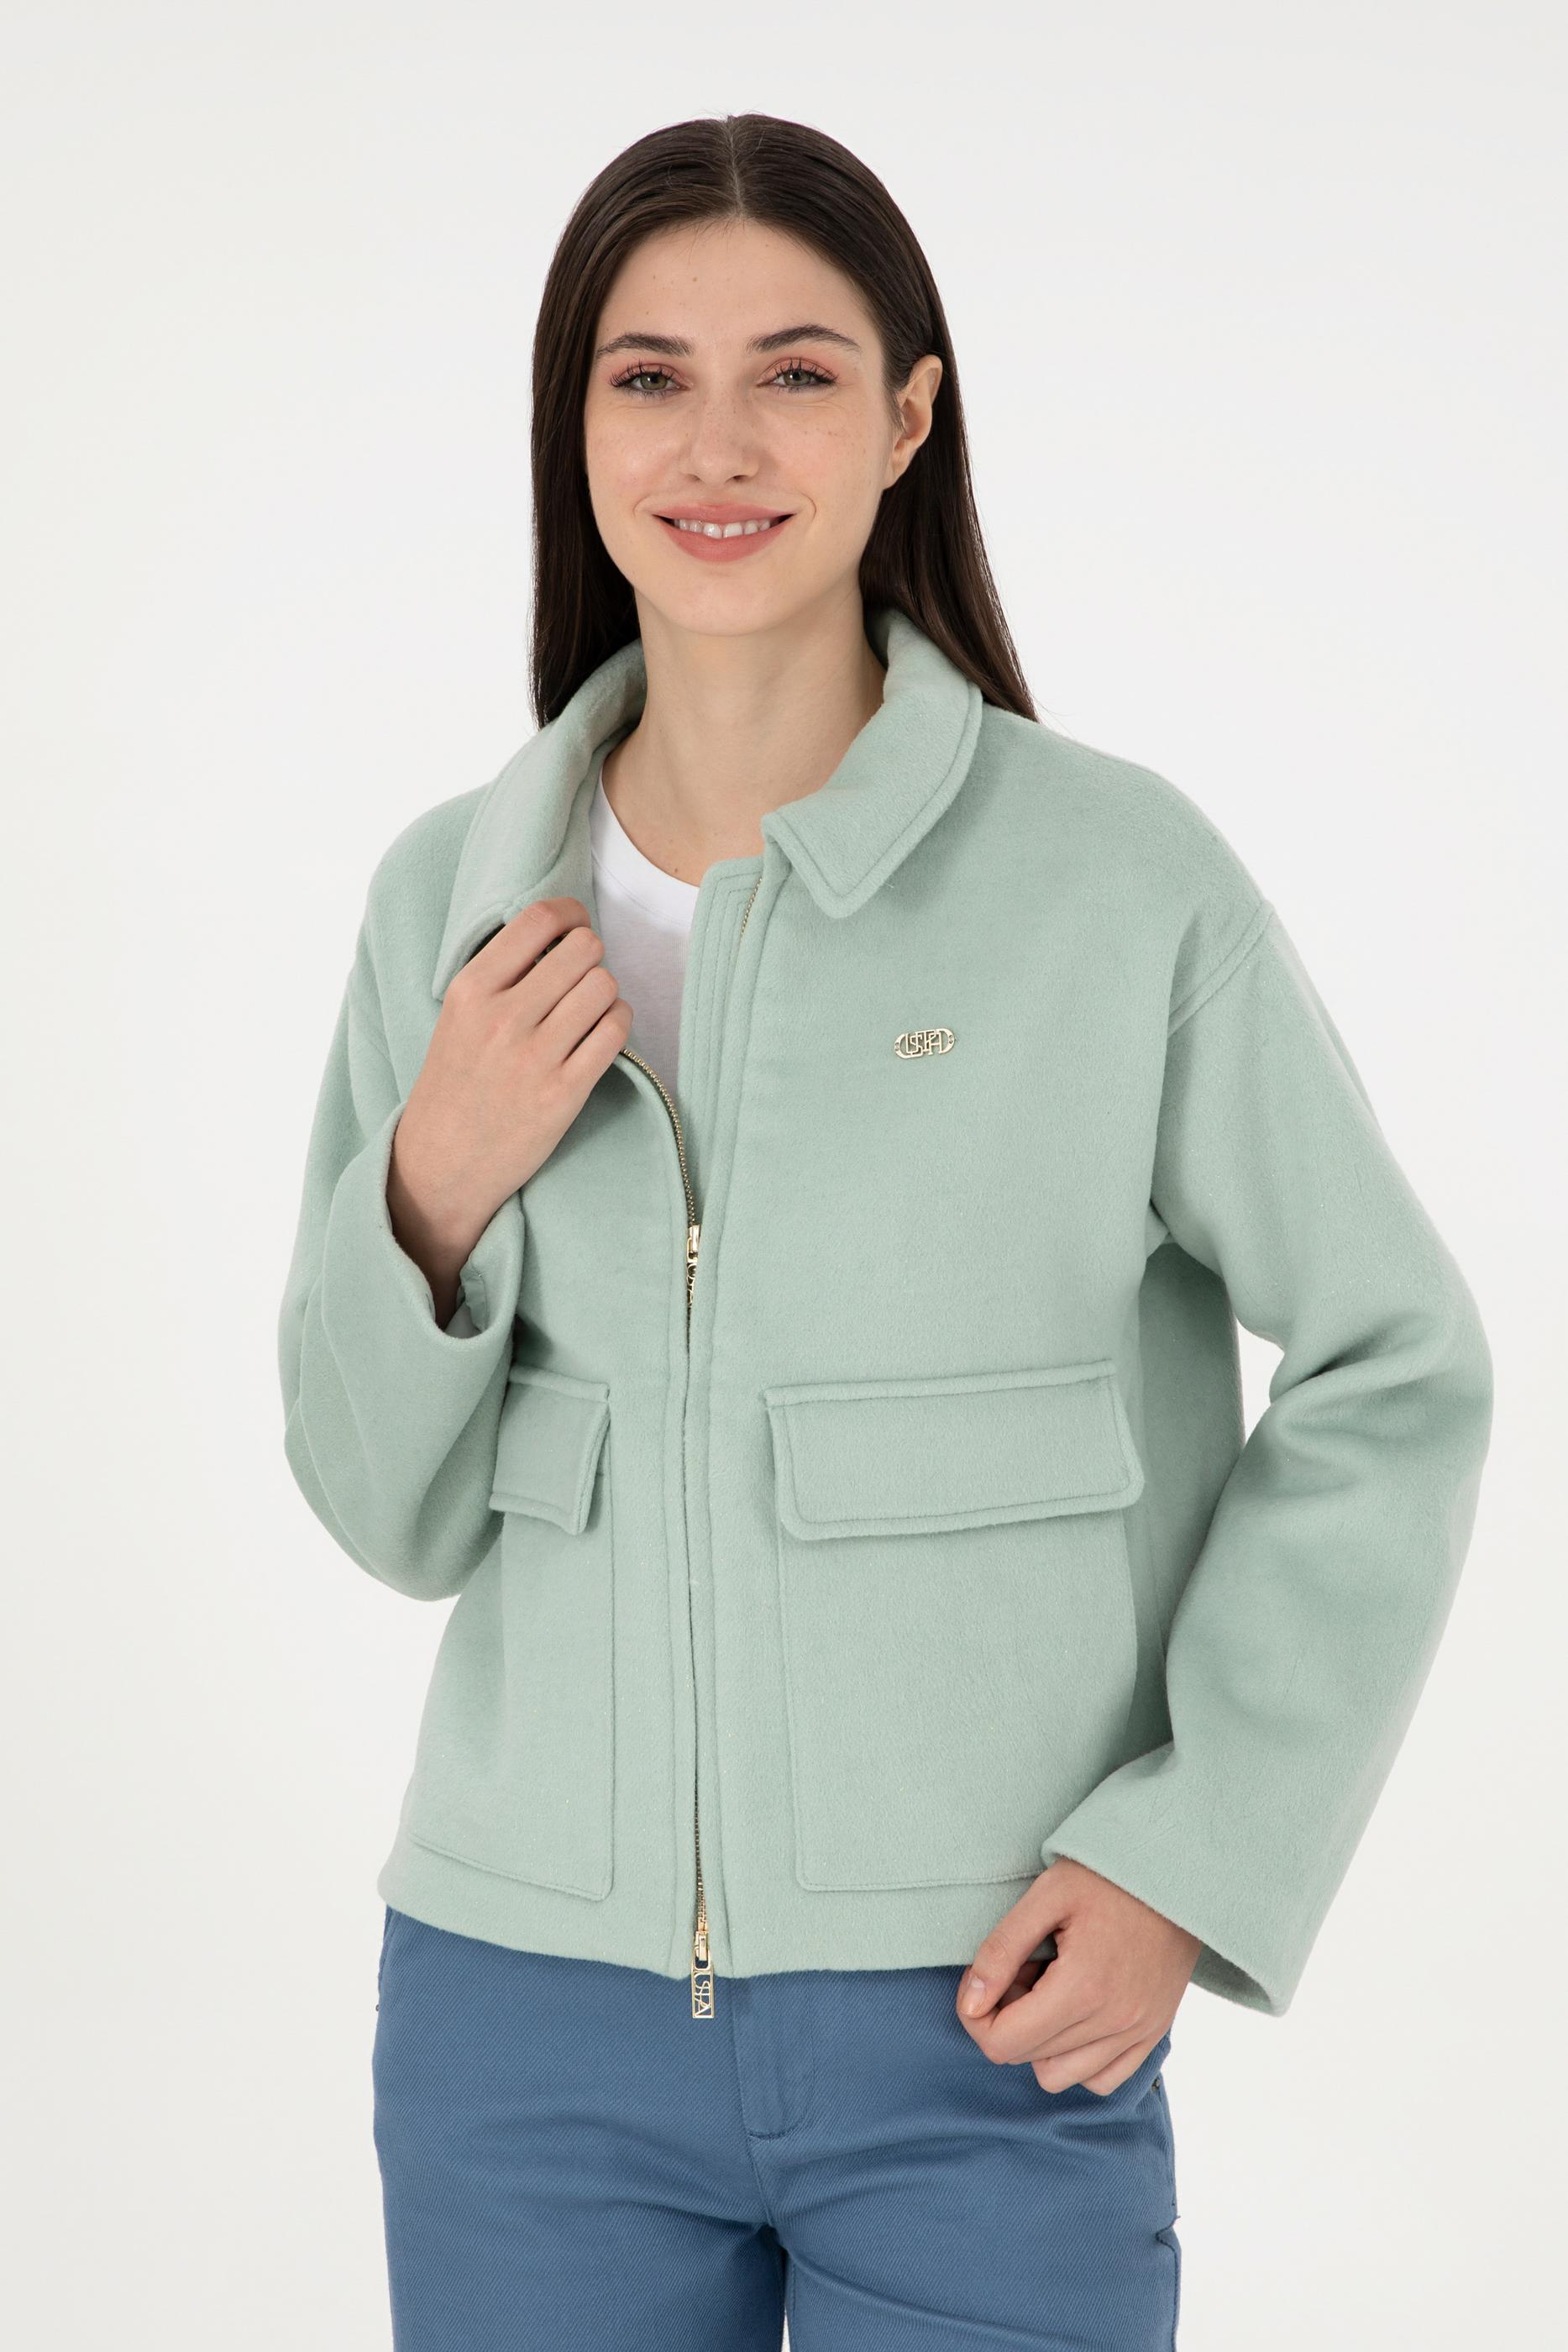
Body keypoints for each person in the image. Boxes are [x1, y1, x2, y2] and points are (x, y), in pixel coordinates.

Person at [276, 112, 1493, 2352]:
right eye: (648, 377)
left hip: (991, 2007)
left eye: (797, 374)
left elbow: (1395, 1363)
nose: (717, 445)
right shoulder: (449, 897)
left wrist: (1189, 1853)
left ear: (911, 417)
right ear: (571, 425)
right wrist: (433, 1177)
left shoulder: (1114, 885)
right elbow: (388, 1516)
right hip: (520, 2025)